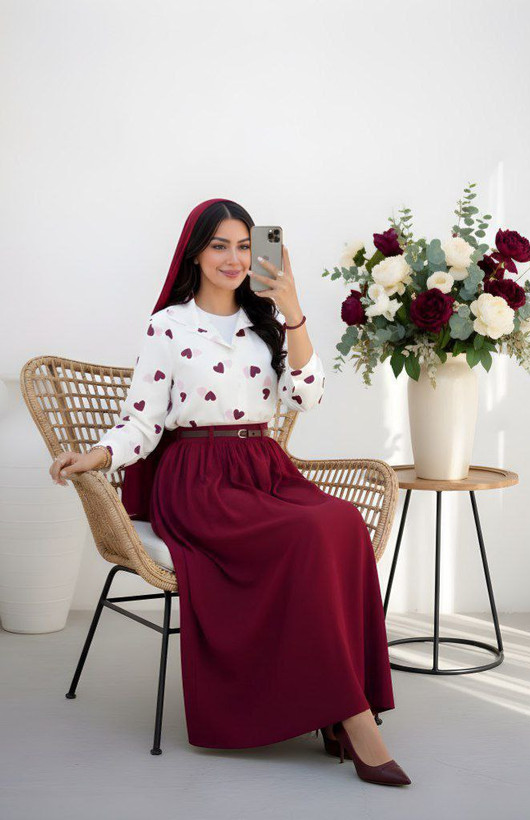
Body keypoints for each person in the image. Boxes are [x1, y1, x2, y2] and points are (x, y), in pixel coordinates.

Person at [49, 198, 411, 787]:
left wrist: (293, 310)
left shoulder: (266, 321)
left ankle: (334, 703)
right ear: (195, 253)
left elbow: (307, 397)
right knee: (308, 531)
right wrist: (94, 455)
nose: (234, 258)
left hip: (264, 469)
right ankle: (353, 716)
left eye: (245, 246)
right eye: (220, 245)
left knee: (341, 521)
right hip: (199, 480)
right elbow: (142, 424)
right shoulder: (168, 326)